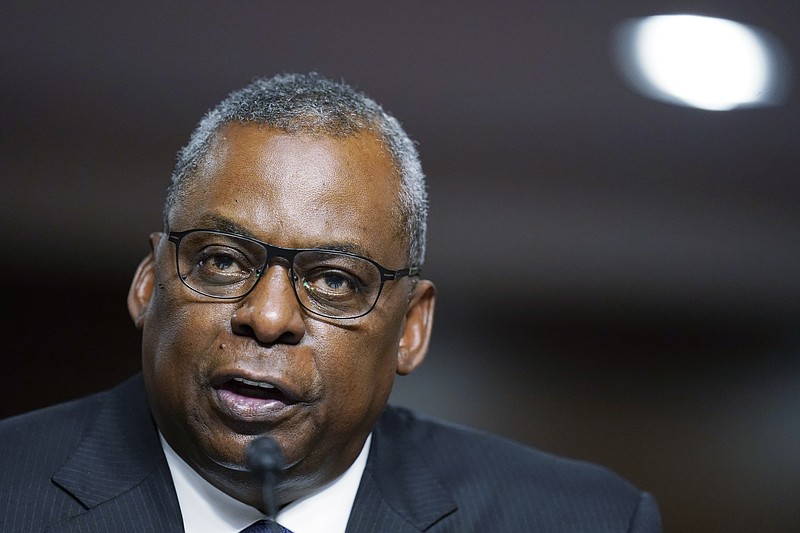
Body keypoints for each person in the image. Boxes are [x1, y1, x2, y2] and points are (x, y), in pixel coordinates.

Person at [0, 73, 661, 532]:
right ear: (149, 282)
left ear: (411, 327)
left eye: (335, 280)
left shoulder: (586, 522)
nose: (268, 316)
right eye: (223, 261)